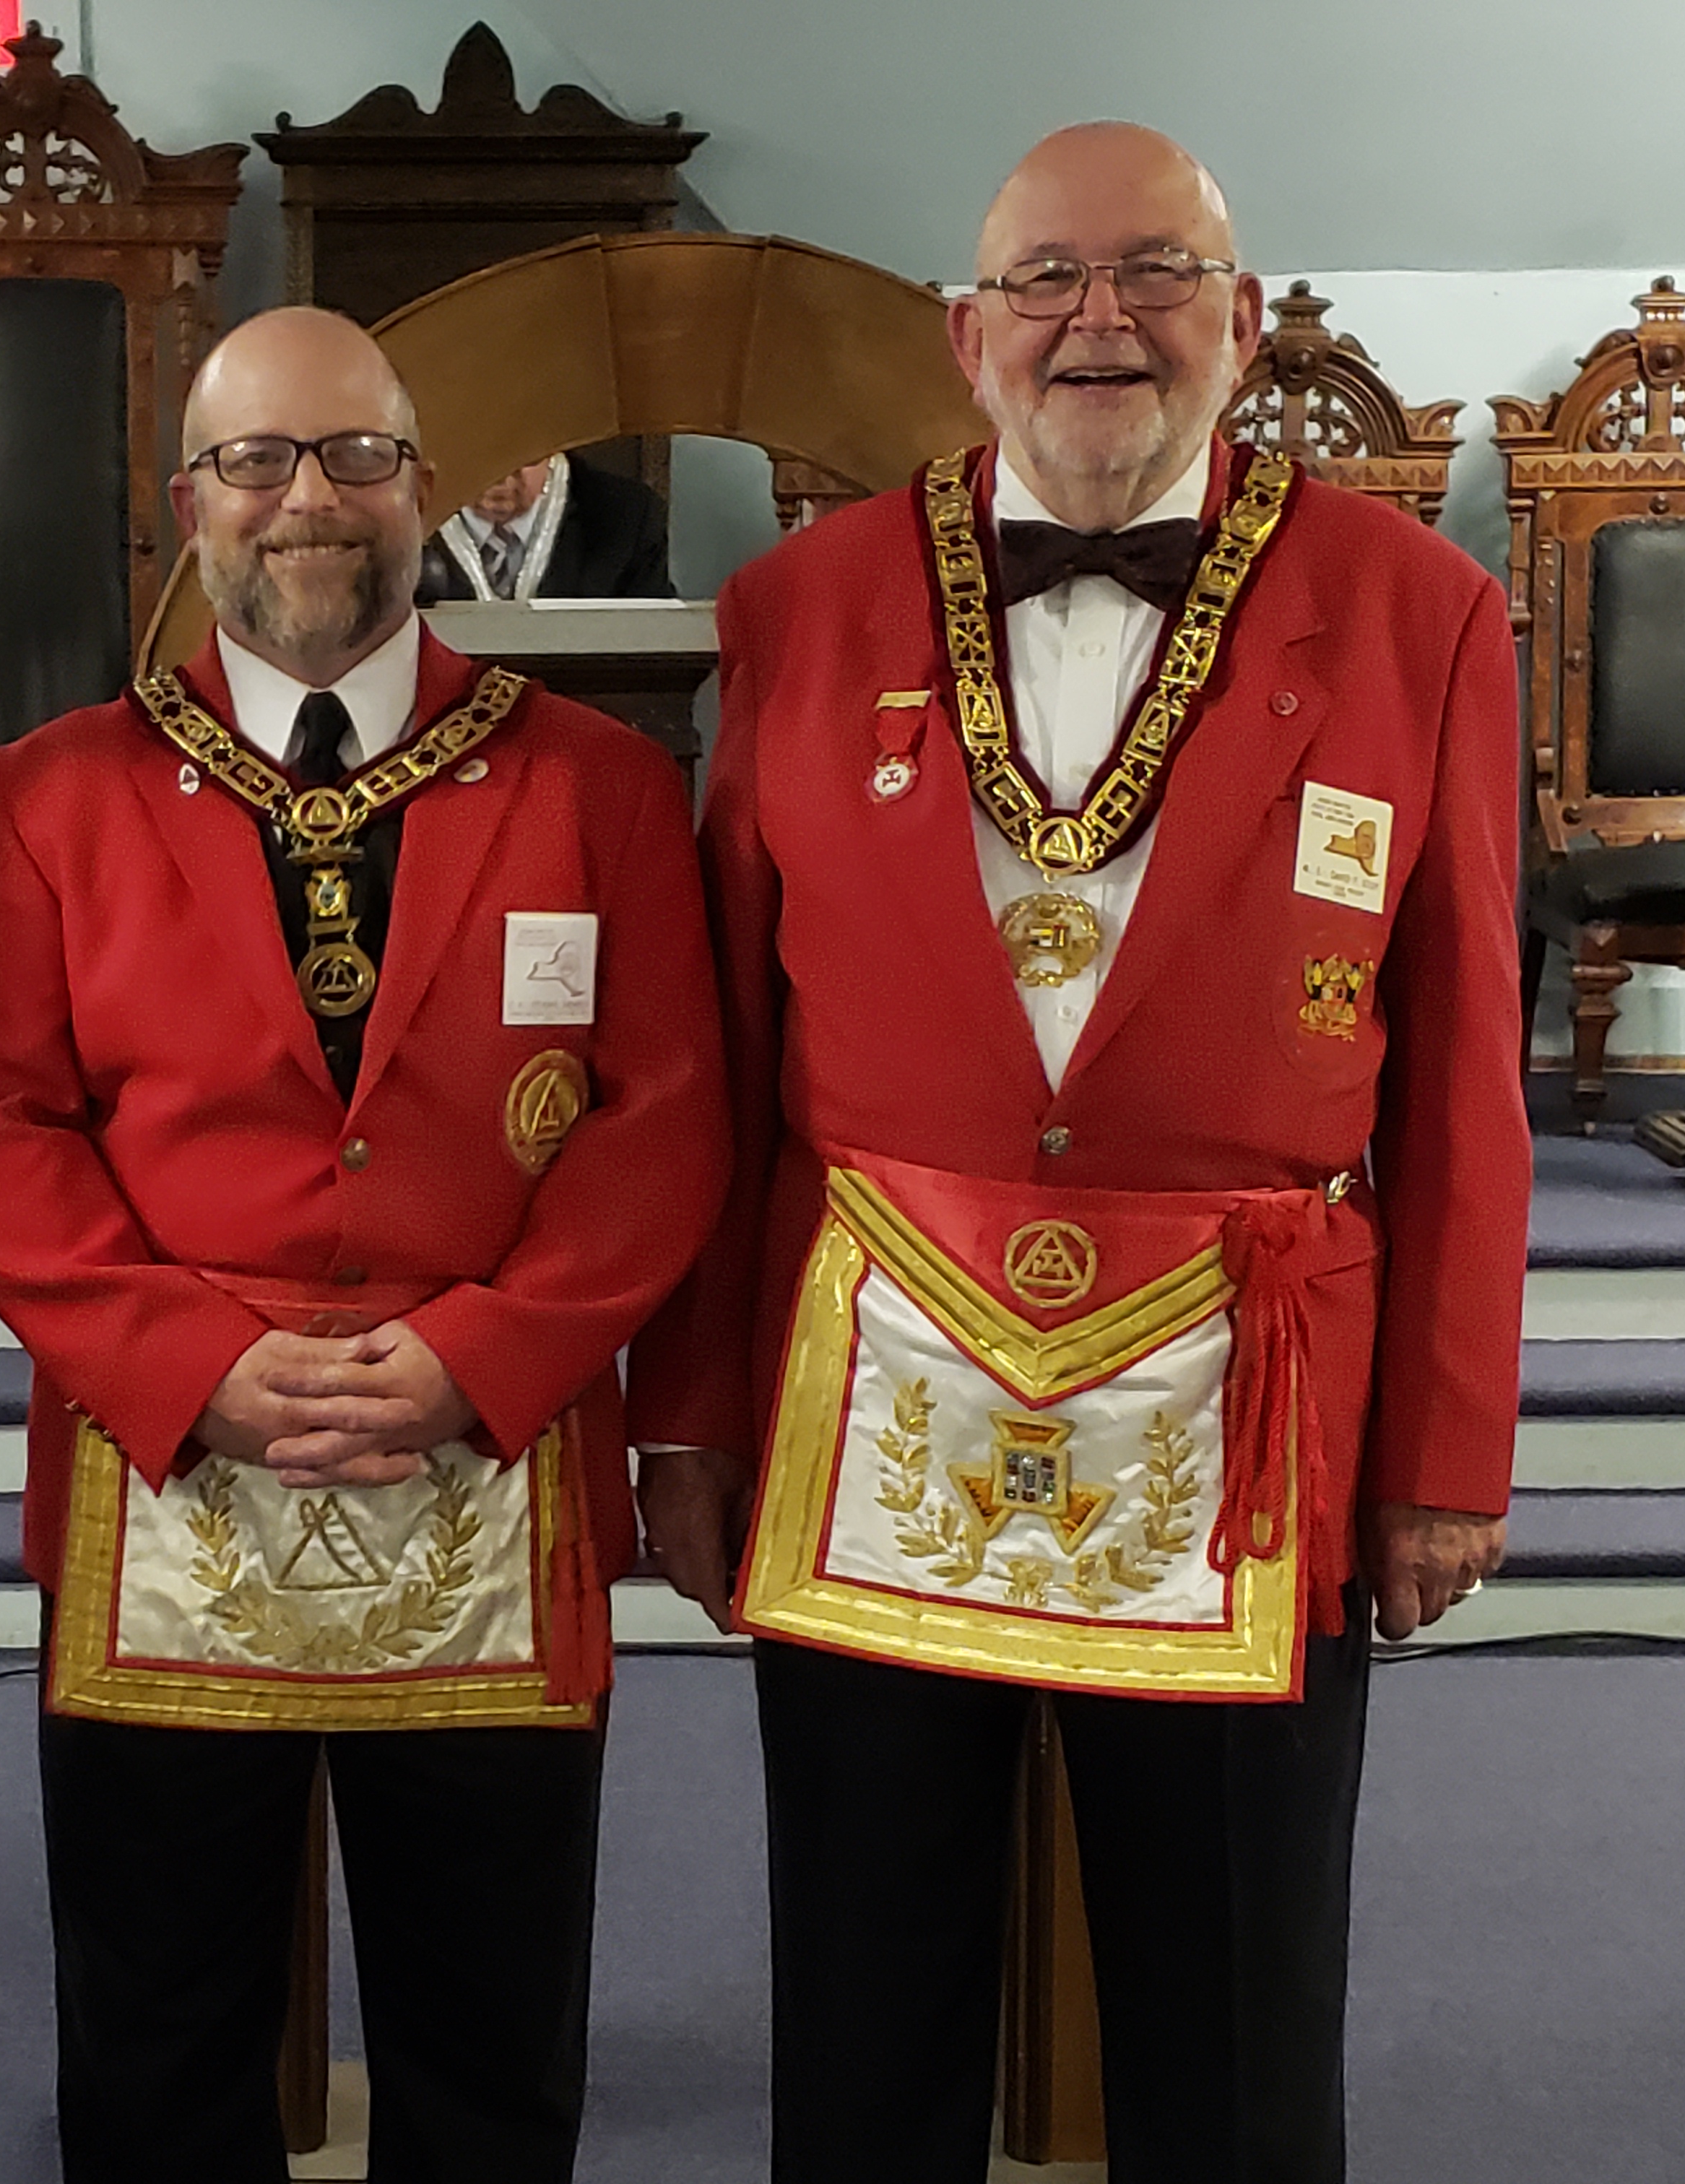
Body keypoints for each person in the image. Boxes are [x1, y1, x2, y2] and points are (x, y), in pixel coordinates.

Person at [630, 123, 1528, 2182]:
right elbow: (720, 1067)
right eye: (1047, 279)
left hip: (1250, 1405)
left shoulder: (1420, 615)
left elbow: (1465, 1075)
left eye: (1153, 273)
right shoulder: (800, 603)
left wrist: (1441, 1458)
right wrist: (687, 1423)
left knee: (1232, 2013)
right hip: (876, 1397)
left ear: (1243, 317)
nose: (1097, 319)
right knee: (866, 2011)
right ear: (969, 331)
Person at [0, 305, 726, 2183]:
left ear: (423, 487)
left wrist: (496, 1348)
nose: (313, 501)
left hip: (493, 1471)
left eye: (357, 457)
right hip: (166, 1490)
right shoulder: (44, 802)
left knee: (491, 2037)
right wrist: (185, 1363)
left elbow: (666, 1115)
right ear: (188, 501)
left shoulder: (600, 789)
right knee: (158, 2044)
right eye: (260, 461)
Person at [415, 451, 675, 604]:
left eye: (519, 456)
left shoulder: (626, 516)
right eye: (477, 453)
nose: (500, 477)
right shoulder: (399, 514)